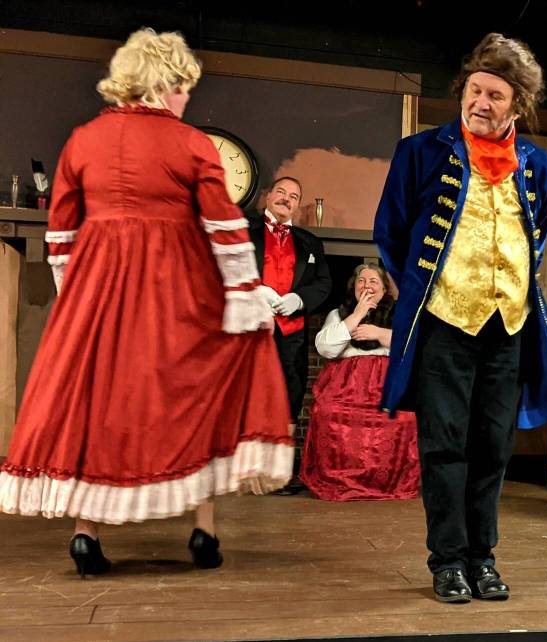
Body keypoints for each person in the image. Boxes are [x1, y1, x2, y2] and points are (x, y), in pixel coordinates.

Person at [0, 28, 293, 575]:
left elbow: (60, 234)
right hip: (179, 286)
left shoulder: (82, 140)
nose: (185, 99)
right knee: (197, 387)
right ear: (162, 84)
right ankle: (204, 530)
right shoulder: (190, 144)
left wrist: (78, 300)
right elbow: (225, 224)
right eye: (182, 87)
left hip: (97, 288)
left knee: (98, 398)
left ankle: (86, 535)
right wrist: (242, 296)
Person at [373, 33, 547, 603]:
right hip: (445, 324)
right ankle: (448, 560)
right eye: (475, 90)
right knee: (444, 446)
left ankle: (483, 556)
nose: (481, 102)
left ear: (517, 106)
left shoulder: (536, 164)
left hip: (509, 326)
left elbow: (540, 230)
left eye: (495, 95)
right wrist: (426, 295)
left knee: (492, 447)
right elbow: (393, 233)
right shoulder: (420, 152)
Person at [299, 263, 420, 501]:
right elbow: (325, 348)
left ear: (385, 288)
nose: (367, 286)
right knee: (326, 411)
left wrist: (379, 333)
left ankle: (386, 481)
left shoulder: (400, 312)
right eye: (361, 281)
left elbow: (411, 346)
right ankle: (338, 479)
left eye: (374, 281)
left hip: (386, 382)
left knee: (404, 418)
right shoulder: (340, 313)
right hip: (345, 385)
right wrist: (356, 315)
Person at [249, 176, 332, 495]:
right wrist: (256, 290)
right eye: (281, 192)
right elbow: (223, 268)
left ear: (299, 205)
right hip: (250, 329)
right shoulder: (242, 231)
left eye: (294, 196)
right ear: (268, 197)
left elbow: (323, 283)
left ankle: (279, 474)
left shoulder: (310, 242)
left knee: (288, 398)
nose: (286, 198)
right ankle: (243, 471)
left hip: (292, 333)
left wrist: (300, 299)